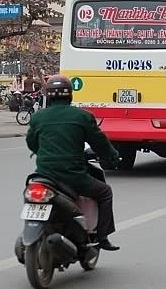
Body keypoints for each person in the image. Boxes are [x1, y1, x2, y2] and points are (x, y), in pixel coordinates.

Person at [25, 75, 121, 251]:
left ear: (48, 95)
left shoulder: (38, 117)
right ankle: (102, 237)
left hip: (44, 176)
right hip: (73, 177)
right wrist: (113, 156)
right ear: (70, 95)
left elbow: (31, 143)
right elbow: (100, 142)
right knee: (105, 192)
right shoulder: (82, 116)